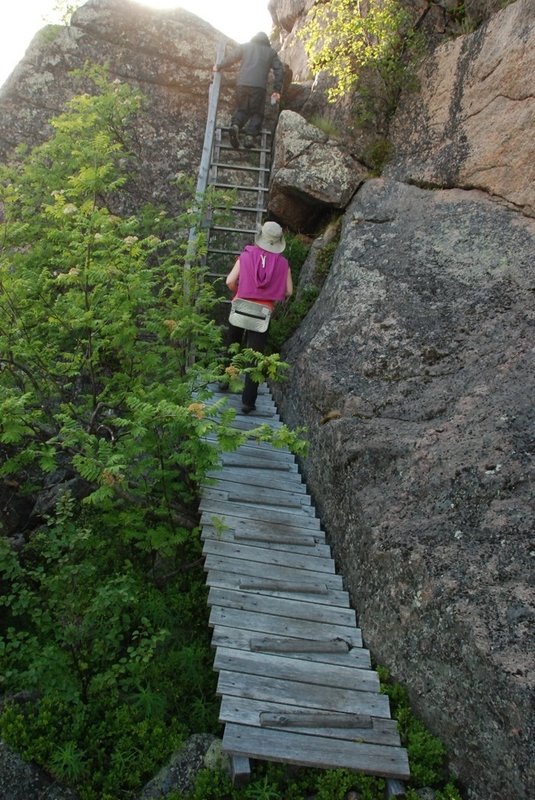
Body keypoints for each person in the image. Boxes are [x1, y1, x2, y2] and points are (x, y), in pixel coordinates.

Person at [223, 221, 293, 414]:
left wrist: (240, 293)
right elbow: (288, 291)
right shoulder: (284, 264)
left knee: (233, 344)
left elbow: (229, 281)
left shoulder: (245, 256)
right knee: (254, 358)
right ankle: (248, 402)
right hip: (262, 314)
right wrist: (270, 300)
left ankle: (225, 380)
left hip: (240, 307)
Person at [213, 32, 284, 149]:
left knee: (242, 109)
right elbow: (279, 70)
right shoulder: (270, 52)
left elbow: (232, 57)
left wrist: (219, 66)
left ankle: (235, 126)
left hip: (242, 84)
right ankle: (249, 137)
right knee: (258, 113)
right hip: (258, 86)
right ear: (267, 41)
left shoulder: (245, 47)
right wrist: (276, 89)